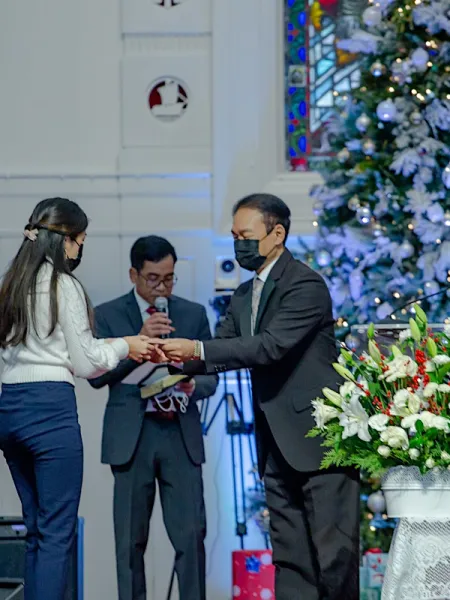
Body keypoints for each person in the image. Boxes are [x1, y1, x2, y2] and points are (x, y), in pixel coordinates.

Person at [160, 194, 360, 600]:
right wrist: (169, 355)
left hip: (319, 439)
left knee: (334, 557)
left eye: (246, 236)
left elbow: (270, 346)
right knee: (289, 556)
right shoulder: (242, 296)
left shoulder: (304, 285)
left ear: (277, 233)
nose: (239, 244)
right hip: (274, 442)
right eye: (234, 236)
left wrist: (196, 349)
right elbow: (221, 350)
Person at [0, 198, 164, 600]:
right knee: (57, 533)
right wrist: (126, 345)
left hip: (10, 408)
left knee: (36, 530)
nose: (79, 251)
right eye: (80, 241)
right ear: (65, 240)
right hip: (50, 411)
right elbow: (87, 363)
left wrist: (117, 343)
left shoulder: (11, 284)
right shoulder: (64, 285)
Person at [88, 235, 218, 600]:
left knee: (191, 534)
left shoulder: (192, 314)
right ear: (134, 275)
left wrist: (194, 385)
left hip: (179, 432)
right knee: (130, 540)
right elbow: (96, 377)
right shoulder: (108, 314)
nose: (162, 288)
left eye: (169, 278)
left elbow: (211, 376)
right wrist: (136, 342)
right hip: (133, 435)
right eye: (153, 279)